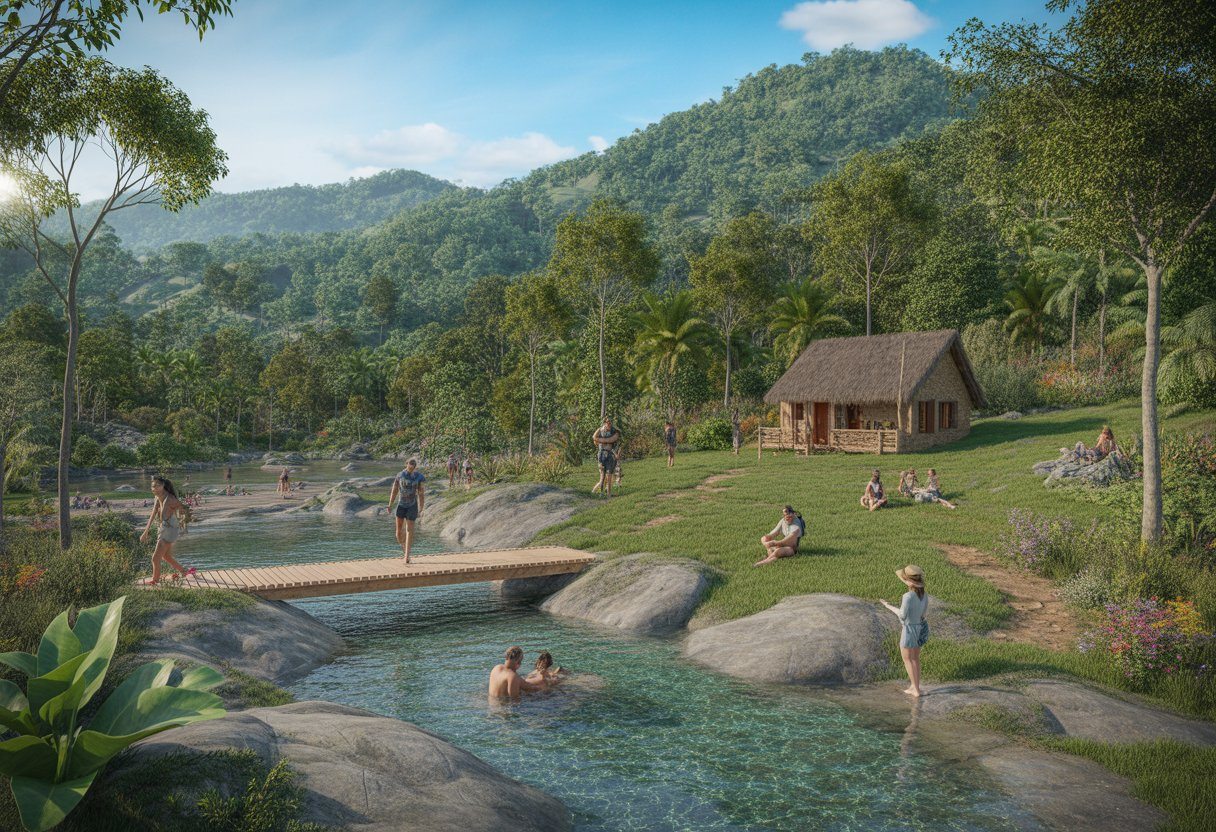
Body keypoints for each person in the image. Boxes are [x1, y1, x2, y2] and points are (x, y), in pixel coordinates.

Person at [880, 565, 929, 697]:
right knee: (915, 659)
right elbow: (923, 615)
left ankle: (915, 690)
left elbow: (902, 615)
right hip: (919, 629)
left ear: (909, 581)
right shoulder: (924, 595)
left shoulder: (907, 596)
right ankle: (915, 686)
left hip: (908, 630)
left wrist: (888, 606)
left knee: (908, 659)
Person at [139, 475, 196, 585]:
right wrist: (145, 532)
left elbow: (184, 509)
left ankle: (155, 581)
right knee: (166, 556)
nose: (154, 488)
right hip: (163, 528)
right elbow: (153, 514)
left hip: (169, 530)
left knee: (155, 558)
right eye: (153, 486)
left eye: (157, 486)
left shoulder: (170, 499)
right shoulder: (157, 498)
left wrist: (185, 522)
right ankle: (184, 572)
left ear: (163, 486)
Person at [387, 457, 426, 563]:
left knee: (409, 530)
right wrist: (390, 504)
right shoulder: (399, 475)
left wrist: (421, 508)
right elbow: (394, 490)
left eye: (413, 464)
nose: (411, 465)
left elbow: (421, 493)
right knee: (398, 532)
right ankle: (405, 549)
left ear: (415, 466)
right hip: (401, 505)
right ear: (406, 464)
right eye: (410, 463)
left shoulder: (420, 477)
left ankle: (407, 556)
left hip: (412, 506)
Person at [591, 418, 622, 498]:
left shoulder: (614, 431)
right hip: (601, 454)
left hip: (610, 454)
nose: (609, 423)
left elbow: (612, 440)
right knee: (602, 476)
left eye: (610, 421)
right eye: (607, 422)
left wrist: (600, 440)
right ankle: (601, 493)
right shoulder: (600, 430)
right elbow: (594, 437)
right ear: (604, 422)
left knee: (609, 475)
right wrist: (601, 441)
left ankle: (608, 494)